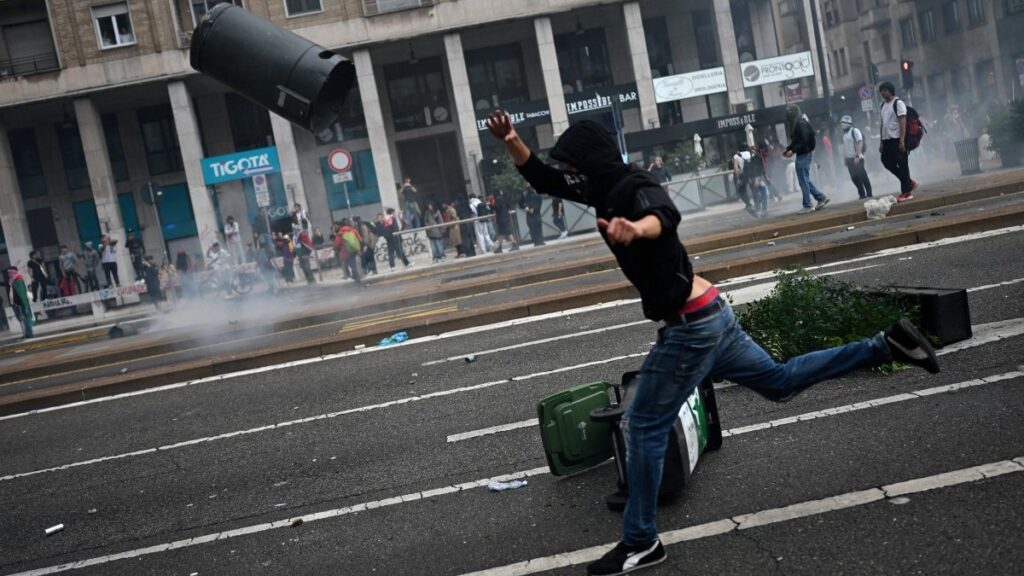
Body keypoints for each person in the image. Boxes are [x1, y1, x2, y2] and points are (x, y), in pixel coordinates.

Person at [485, 110, 941, 576]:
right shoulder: (597, 187)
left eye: (573, 164)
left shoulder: (631, 187)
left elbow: (665, 213)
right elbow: (541, 178)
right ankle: (883, 346)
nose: (569, 173)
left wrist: (635, 228)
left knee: (642, 425)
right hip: (712, 312)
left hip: (691, 326)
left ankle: (641, 541)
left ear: (591, 161)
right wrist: (512, 139)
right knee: (778, 382)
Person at [783, 104, 830, 214]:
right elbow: (796, 141)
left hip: (804, 154)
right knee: (805, 179)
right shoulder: (798, 123)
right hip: (802, 154)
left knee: (803, 180)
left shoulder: (800, 123)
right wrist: (788, 149)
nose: (787, 116)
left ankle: (808, 204)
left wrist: (793, 150)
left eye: (789, 112)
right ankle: (821, 197)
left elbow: (803, 140)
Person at [878, 81, 917, 202]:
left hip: (898, 139)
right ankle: (909, 182)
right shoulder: (883, 105)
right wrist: (881, 142)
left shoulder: (898, 103)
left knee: (903, 164)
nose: (883, 93)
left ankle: (907, 192)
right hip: (887, 140)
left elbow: (902, 121)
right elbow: (882, 124)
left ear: (890, 90)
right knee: (886, 161)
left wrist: (902, 140)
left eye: (885, 90)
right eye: (881, 91)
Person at [840, 115, 873, 199]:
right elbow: (845, 147)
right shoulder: (844, 135)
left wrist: (857, 156)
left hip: (858, 158)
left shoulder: (854, 131)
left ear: (848, 123)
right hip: (849, 159)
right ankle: (862, 194)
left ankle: (869, 194)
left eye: (843, 123)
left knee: (862, 175)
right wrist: (845, 158)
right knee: (854, 178)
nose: (842, 124)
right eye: (842, 123)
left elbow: (860, 142)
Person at [6, 267, 33, 339]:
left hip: (20, 303)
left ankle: (28, 334)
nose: (8, 274)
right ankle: (25, 333)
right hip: (15, 303)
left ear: (13, 272)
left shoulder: (18, 279)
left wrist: (19, 303)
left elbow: (21, 293)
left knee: (24, 318)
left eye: (10, 272)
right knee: (21, 319)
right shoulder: (12, 280)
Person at [730, 145, 756, 216]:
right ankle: (757, 204)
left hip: (744, 175)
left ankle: (748, 204)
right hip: (752, 174)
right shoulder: (750, 153)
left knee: (741, 190)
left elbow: (735, 167)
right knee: (754, 189)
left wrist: (738, 177)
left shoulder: (736, 156)